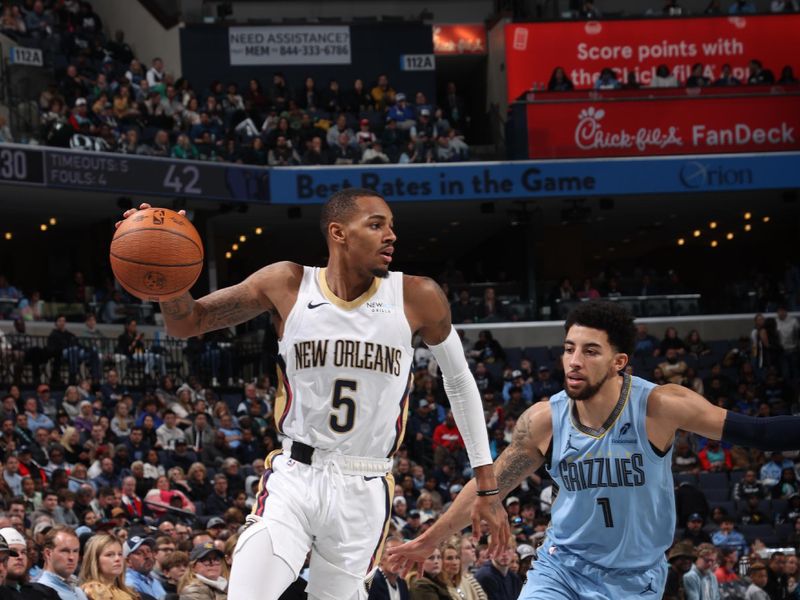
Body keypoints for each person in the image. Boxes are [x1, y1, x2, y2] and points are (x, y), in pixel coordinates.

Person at [116, 190, 503, 600]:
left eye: (391, 226)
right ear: (338, 232)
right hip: (296, 475)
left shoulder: (417, 296)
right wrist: (168, 279)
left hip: (365, 483)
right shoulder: (286, 283)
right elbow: (188, 323)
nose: (390, 236)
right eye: (376, 225)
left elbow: (459, 381)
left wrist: (487, 485)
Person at [388, 301, 800, 599]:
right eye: (569, 348)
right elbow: (488, 486)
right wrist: (429, 539)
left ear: (619, 361)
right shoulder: (545, 419)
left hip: (634, 578)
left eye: (590, 351)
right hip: (561, 568)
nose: (574, 360)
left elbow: (759, 433)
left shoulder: (658, 407)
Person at [79, 533, 138, 600]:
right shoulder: (92, 590)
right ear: (95, 560)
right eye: (109, 555)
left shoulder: (128, 591)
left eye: (120, 554)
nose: (117, 559)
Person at [37, 527, 88, 600]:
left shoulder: (78, 591)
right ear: (48, 554)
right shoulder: (40, 592)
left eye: (75, 551)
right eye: (65, 551)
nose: (72, 557)